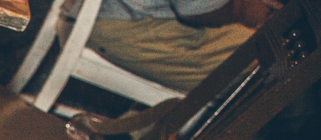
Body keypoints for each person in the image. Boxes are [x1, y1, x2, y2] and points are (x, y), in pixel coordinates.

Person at [86, 0, 280, 93]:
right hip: (112, 19)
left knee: (266, 51)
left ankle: (130, 139)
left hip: (120, 11)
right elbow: (193, 10)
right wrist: (244, 11)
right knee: (259, 65)